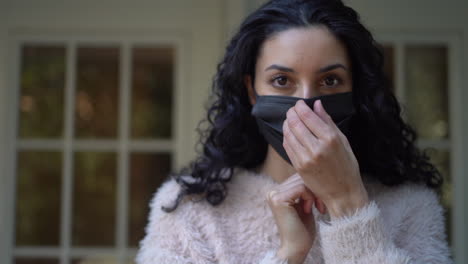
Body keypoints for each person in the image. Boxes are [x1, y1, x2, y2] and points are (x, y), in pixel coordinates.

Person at [135, 0, 453, 263]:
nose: (305, 104)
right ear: (252, 91)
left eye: (330, 81)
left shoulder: (411, 206)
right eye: (282, 81)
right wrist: (288, 255)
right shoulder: (191, 208)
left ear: (355, 91)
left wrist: (349, 206)